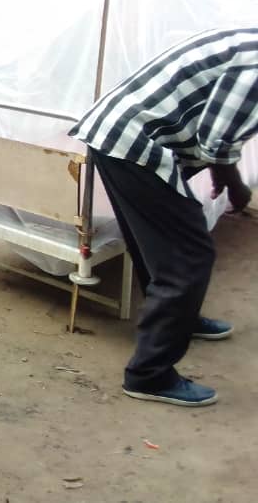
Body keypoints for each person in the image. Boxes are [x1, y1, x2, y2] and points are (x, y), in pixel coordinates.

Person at [70, 28, 257, 407]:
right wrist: (235, 184)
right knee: (190, 255)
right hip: (135, 143)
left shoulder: (250, 41)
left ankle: (179, 320)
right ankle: (149, 374)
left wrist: (220, 171)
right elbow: (216, 140)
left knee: (156, 245)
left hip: (119, 135)